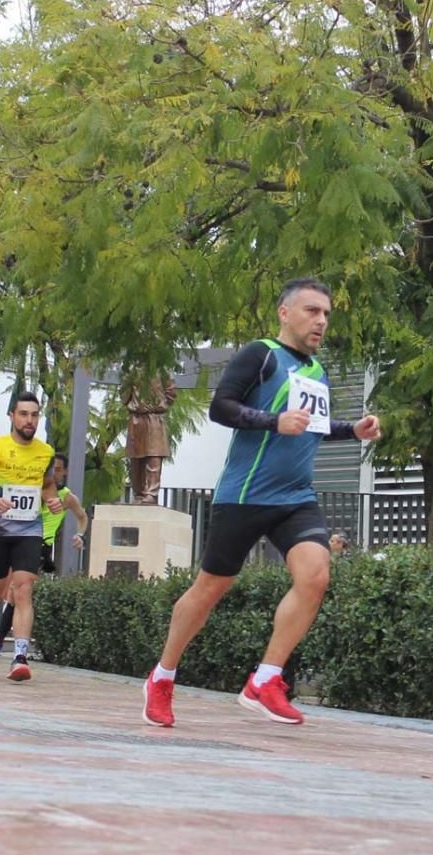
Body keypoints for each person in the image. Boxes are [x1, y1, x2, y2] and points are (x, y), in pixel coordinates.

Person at [141, 277, 381, 728]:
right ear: (285, 313)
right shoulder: (261, 354)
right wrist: (274, 421)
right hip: (245, 496)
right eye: (312, 311)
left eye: (327, 313)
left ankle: (265, 679)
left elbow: (313, 425)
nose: (322, 321)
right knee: (209, 590)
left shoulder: (318, 372)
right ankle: (162, 676)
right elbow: (222, 408)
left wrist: (354, 430)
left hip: (296, 497)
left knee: (316, 574)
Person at [0, 392, 63, 682]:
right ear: (12, 416)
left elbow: (47, 487)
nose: (29, 420)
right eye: (24, 414)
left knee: (23, 588)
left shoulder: (45, 452)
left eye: (34, 415)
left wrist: (52, 500)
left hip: (30, 530)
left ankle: (19, 656)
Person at [0, 453, 87, 658]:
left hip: (40, 544)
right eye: (49, 469)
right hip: (18, 538)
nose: (53, 473)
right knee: (1, 590)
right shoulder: (33, 489)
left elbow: (82, 517)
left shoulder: (66, 496)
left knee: (17, 591)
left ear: (64, 472)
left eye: (57, 470)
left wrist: (80, 535)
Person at [123, 374, 176, 505]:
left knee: (154, 457)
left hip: (154, 419)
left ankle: (151, 493)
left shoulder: (162, 370)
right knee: (136, 459)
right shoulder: (131, 370)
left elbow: (171, 394)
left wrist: (157, 405)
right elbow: (124, 396)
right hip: (136, 419)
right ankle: (138, 493)